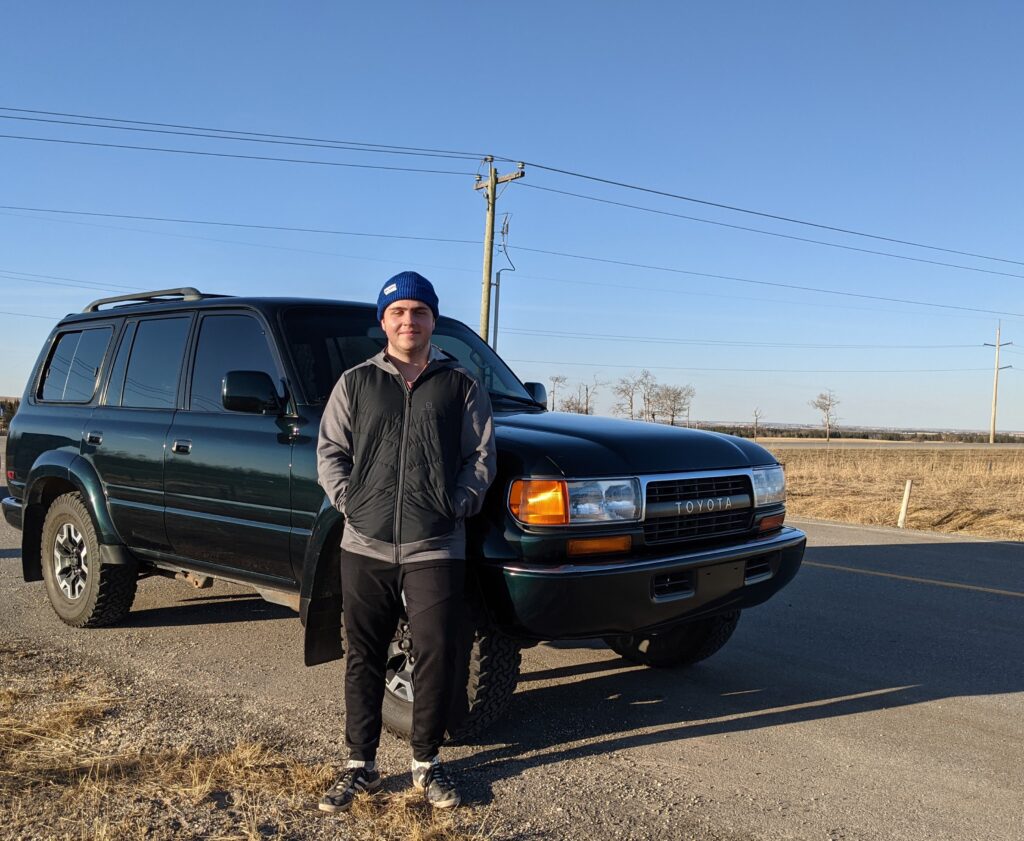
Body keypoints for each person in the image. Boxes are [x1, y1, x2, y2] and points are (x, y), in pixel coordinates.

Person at [315, 271, 496, 813]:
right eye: (398, 312)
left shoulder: (460, 383)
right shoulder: (355, 383)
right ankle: (360, 767)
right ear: (383, 322)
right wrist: (352, 501)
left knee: (439, 653)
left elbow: (481, 457)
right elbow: (330, 451)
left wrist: (457, 502)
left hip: (435, 543)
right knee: (363, 655)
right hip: (364, 543)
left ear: (432, 320)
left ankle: (426, 764)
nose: (408, 321)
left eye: (418, 312)